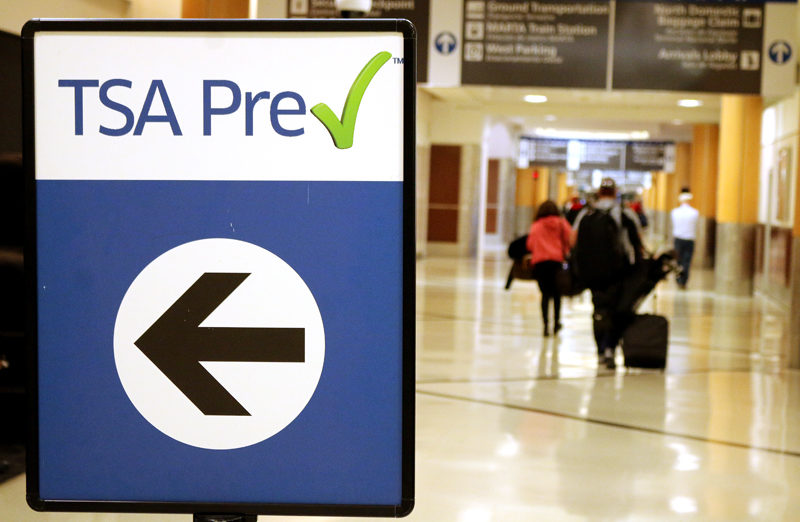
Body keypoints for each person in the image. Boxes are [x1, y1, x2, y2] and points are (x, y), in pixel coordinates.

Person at [572, 178, 644, 369]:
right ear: (615, 192)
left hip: (593, 272)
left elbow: (573, 240)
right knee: (616, 310)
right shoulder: (624, 213)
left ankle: (599, 351)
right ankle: (610, 348)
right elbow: (637, 240)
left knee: (598, 310)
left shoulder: (586, 214)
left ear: (599, 192)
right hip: (617, 272)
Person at [526, 200, 573, 336]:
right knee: (557, 294)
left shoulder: (537, 225)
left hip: (540, 263)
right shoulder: (561, 223)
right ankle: (557, 323)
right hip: (556, 261)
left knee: (545, 295)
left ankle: (546, 325)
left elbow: (530, 244)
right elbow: (569, 239)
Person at [670, 188, 699, 289]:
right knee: (686, 261)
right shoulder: (694, 213)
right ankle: (683, 281)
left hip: (678, 239)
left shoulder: (674, 212)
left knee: (678, 261)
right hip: (689, 240)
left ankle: (678, 279)